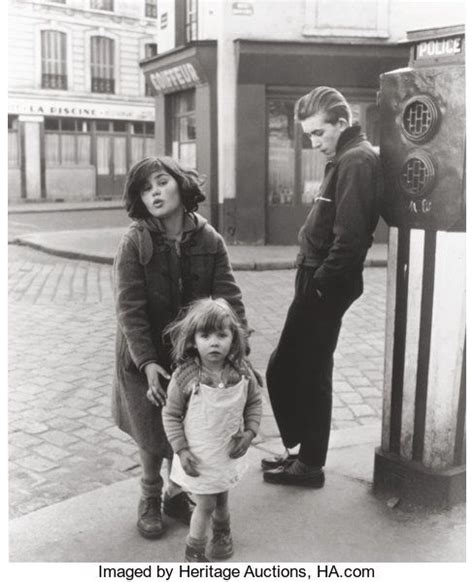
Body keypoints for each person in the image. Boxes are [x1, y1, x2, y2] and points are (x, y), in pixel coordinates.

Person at [112, 156, 250, 539]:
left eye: (161, 182)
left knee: (189, 424)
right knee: (151, 429)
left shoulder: (210, 240)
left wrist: (241, 350)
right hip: (143, 355)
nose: (154, 192)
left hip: (193, 355)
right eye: (145, 188)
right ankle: (149, 495)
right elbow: (129, 309)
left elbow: (230, 301)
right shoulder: (134, 241)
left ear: (180, 184)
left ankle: (175, 493)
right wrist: (147, 362)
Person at [262, 86, 382, 487]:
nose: (313, 143)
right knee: (297, 369)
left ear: (342, 123)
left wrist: (318, 288)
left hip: (324, 281)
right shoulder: (344, 157)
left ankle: (309, 464)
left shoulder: (356, 160)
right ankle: (303, 454)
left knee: (299, 371)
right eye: (309, 135)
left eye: (318, 133)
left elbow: (350, 241)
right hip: (316, 276)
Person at [162, 298, 262, 562]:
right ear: (194, 340)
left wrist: (250, 433)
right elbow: (171, 414)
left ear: (234, 338)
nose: (214, 342)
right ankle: (194, 550)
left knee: (222, 496)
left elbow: (253, 402)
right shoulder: (186, 376)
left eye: (222, 334)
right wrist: (181, 450)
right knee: (205, 503)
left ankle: (222, 532)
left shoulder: (241, 372)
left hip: (227, 452)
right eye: (205, 335)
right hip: (198, 455)